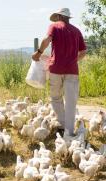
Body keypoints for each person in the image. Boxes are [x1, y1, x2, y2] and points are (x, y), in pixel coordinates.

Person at [32, 8, 87, 136]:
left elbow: (46, 39)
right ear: (68, 18)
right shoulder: (76, 30)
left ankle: (62, 126)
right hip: (72, 70)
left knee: (56, 97)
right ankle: (69, 131)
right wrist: (73, 60)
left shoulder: (54, 26)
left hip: (55, 69)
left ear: (58, 16)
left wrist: (38, 53)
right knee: (71, 101)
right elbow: (83, 52)